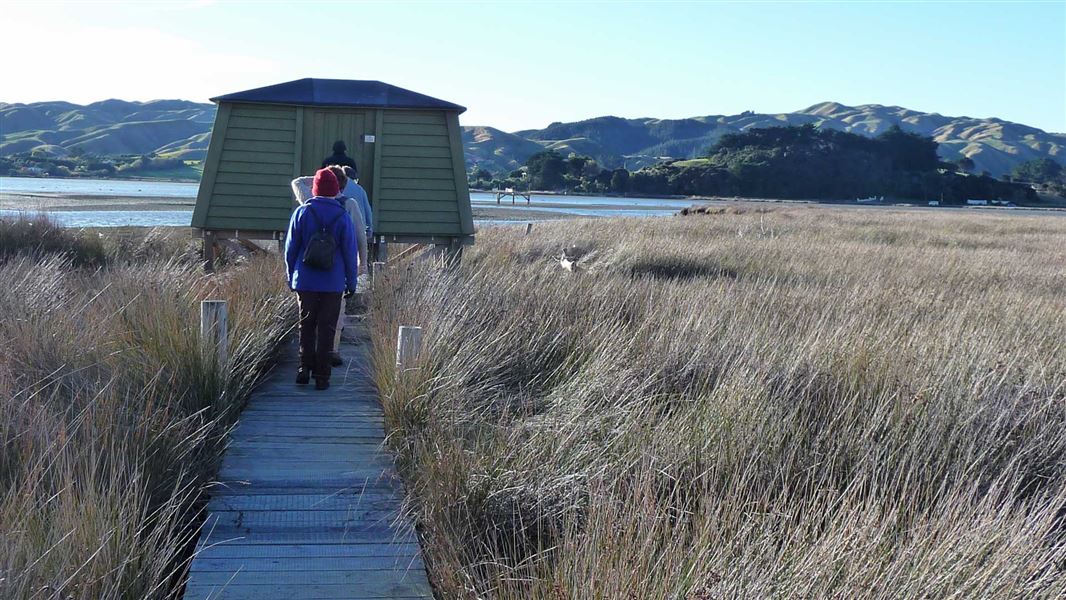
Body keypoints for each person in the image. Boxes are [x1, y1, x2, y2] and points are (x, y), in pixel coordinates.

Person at [284, 168, 359, 390]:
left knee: (306, 324)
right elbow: (349, 252)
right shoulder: (343, 216)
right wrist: (351, 283)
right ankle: (322, 376)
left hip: (305, 281)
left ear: (314, 189)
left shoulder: (302, 213)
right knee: (327, 328)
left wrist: (291, 277)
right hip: (333, 283)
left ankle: (303, 368)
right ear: (336, 190)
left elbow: (290, 250)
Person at [341, 165, 372, 241]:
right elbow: (368, 211)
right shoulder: (361, 190)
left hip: (344, 228)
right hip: (359, 230)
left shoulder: (340, 188)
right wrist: (369, 229)